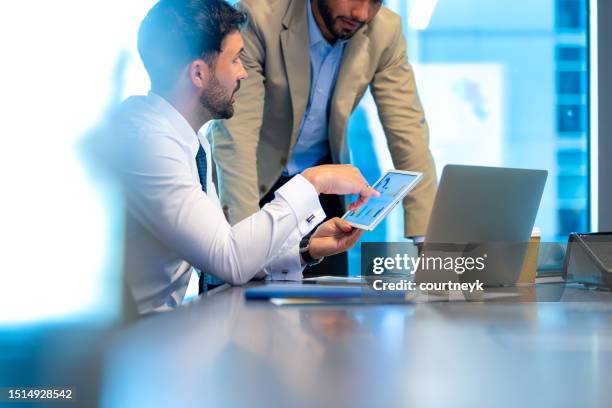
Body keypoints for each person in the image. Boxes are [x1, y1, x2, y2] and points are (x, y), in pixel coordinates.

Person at [98, 0, 378, 314]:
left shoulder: (190, 140)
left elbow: (222, 245)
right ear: (199, 73)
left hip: (163, 329)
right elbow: (227, 259)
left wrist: (306, 249)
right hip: (131, 341)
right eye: (234, 60)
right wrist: (313, 180)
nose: (243, 73)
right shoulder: (150, 145)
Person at [208, 0, 437, 276]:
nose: (362, 13)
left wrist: (428, 243)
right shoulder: (258, 16)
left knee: (330, 311)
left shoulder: (384, 30)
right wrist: (243, 250)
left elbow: (409, 130)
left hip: (322, 190)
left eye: (375, 1)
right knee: (243, 303)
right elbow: (237, 137)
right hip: (252, 185)